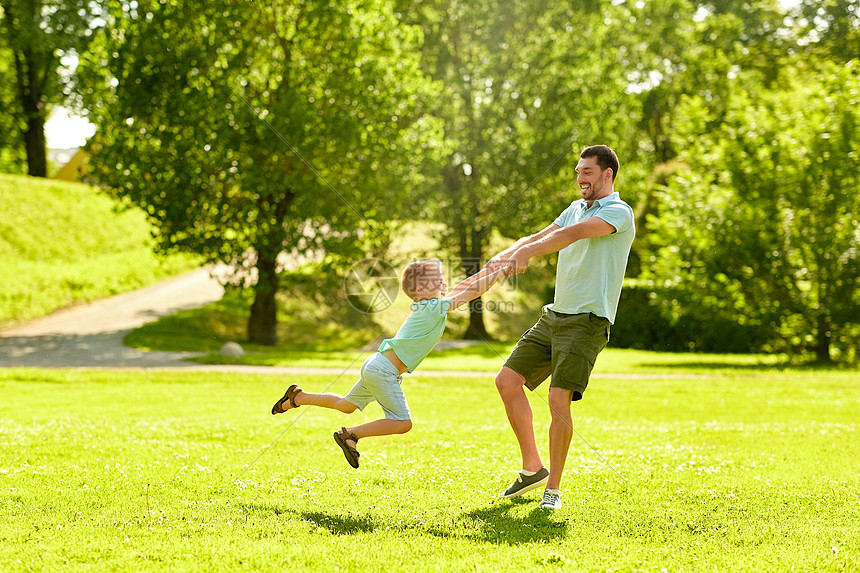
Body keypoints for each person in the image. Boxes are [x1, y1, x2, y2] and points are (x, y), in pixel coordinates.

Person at [487, 144, 635, 510]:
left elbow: (573, 235)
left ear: (607, 174)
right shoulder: (574, 208)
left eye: (587, 171)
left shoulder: (618, 211)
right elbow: (541, 235)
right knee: (507, 380)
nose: (580, 178)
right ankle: (532, 468)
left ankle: (552, 489)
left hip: (587, 320)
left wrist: (528, 254)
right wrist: (508, 252)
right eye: (578, 171)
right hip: (555, 315)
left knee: (557, 399)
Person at [271, 259, 505, 469]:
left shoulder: (430, 306)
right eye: (440, 281)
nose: (445, 284)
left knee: (346, 405)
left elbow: (465, 287)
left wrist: (489, 269)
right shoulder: (434, 308)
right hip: (383, 370)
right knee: (402, 422)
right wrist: (499, 272)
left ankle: (297, 397)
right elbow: (471, 292)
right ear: (422, 290)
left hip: (376, 364)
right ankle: (350, 434)